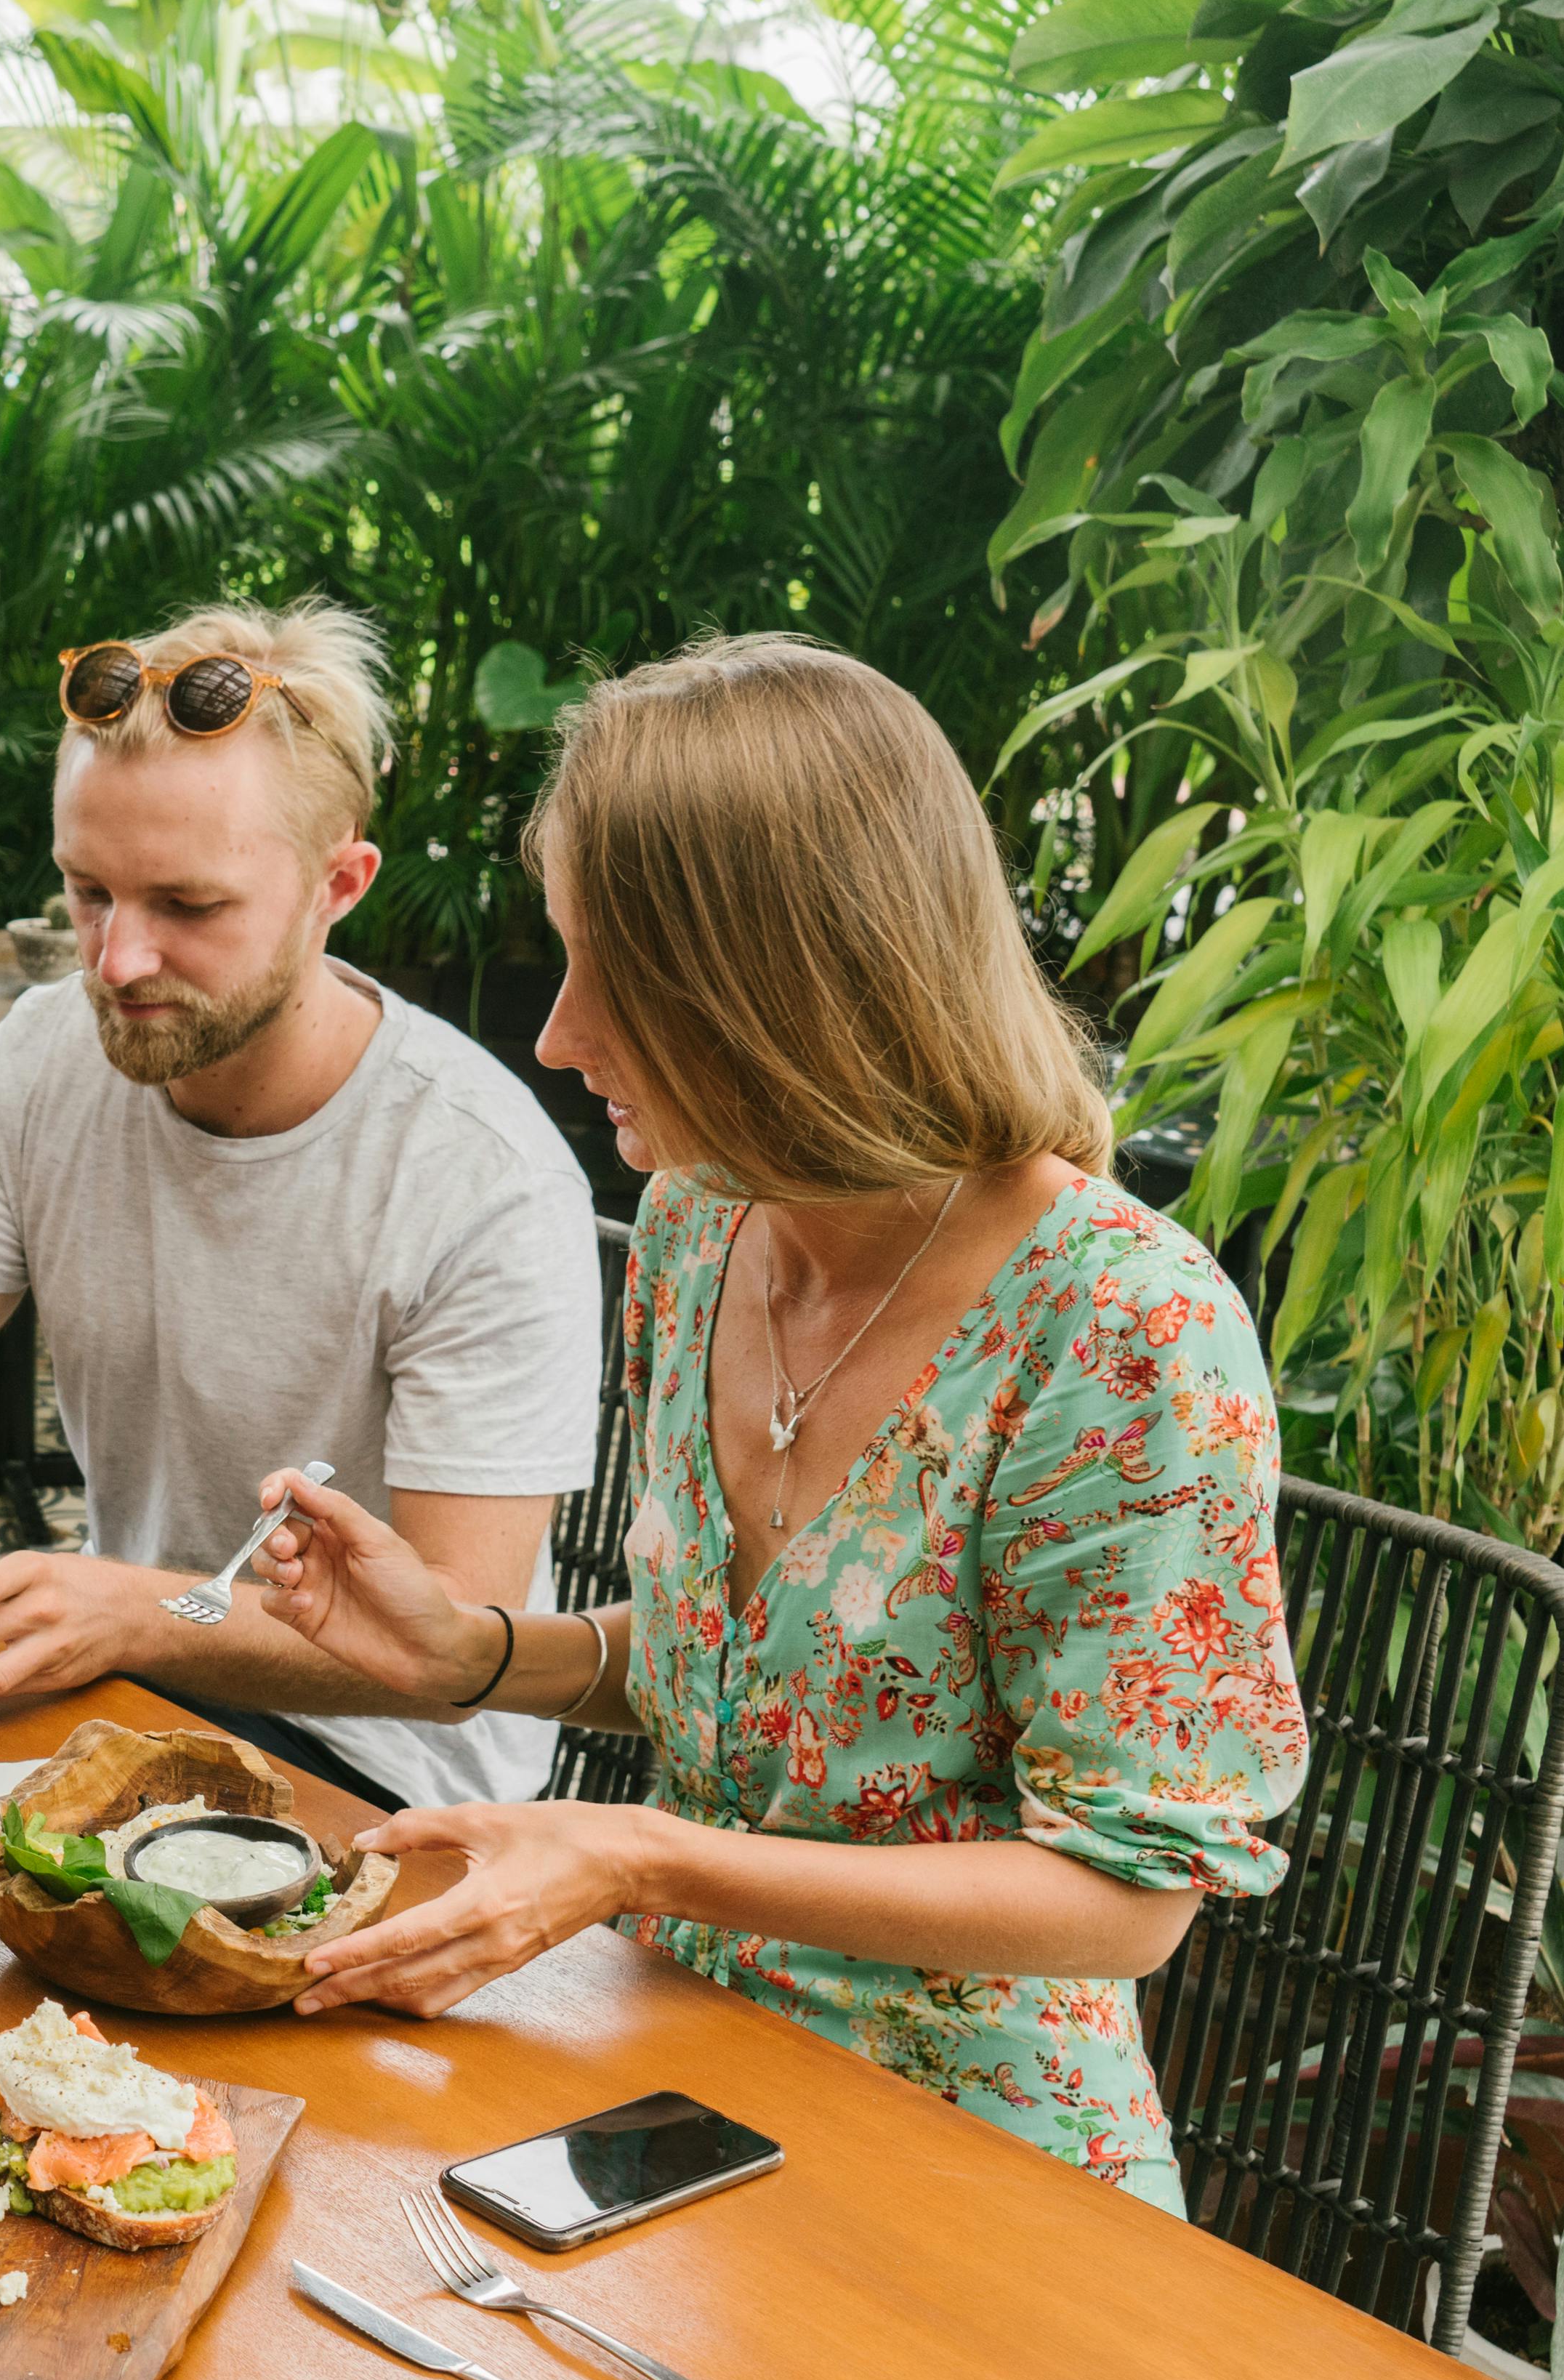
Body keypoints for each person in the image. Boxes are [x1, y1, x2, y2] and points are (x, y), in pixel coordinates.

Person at [246, 634, 1310, 2206]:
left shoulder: (1124, 1333)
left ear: (793, 989)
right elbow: (761, 1677)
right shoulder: (701, 1221)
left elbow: (1121, 1897)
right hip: (670, 2078)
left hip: (976, 2164)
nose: (556, 1033)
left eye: (621, 976)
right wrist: (472, 1651)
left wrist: (635, 1858)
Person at [0, 599, 603, 1812]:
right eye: (87, 892)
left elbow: (451, 1650)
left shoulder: (484, 1180)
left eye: (187, 907)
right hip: (133, 1687)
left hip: (386, 1781)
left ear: (339, 885)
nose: (115, 962)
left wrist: (138, 1612)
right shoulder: (48, 1050)